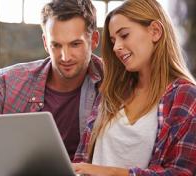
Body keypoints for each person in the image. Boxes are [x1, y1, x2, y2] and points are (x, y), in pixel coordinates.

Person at [0, 0, 103, 175]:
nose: (65, 56)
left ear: (94, 39)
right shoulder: (6, 81)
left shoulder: (113, 84)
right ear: (45, 42)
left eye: (75, 44)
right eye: (56, 45)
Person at [73, 0, 196, 175]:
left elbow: (181, 172)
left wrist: (112, 173)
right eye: (113, 40)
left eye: (124, 35)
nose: (116, 47)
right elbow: (83, 161)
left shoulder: (185, 96)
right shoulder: (111, 93)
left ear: (155, 31)